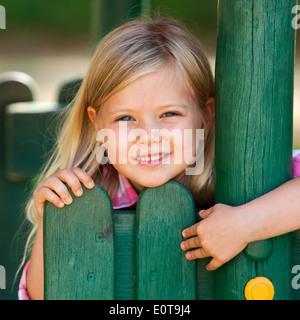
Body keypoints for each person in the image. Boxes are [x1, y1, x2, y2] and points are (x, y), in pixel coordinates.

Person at [17, 17, 300, 300]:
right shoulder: (87, 194)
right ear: (98, 125)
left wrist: (246, 222)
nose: (148, 135)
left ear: (206, 116)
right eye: (125, 118)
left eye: (169, 114)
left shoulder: (242, 171)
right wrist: (52, 221)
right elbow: (44, 295)